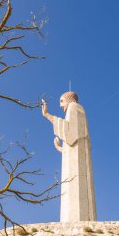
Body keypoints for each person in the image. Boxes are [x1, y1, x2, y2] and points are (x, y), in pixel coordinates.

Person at [42, 91, 96, 222]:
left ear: (69, 99)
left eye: (61, 101)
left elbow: (71, 133)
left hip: (80, 167)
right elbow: (73, 140)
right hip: (77, 158)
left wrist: (47, 115)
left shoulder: (74, 107)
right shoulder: (73, 112)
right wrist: (61, 148)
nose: (61, 106)